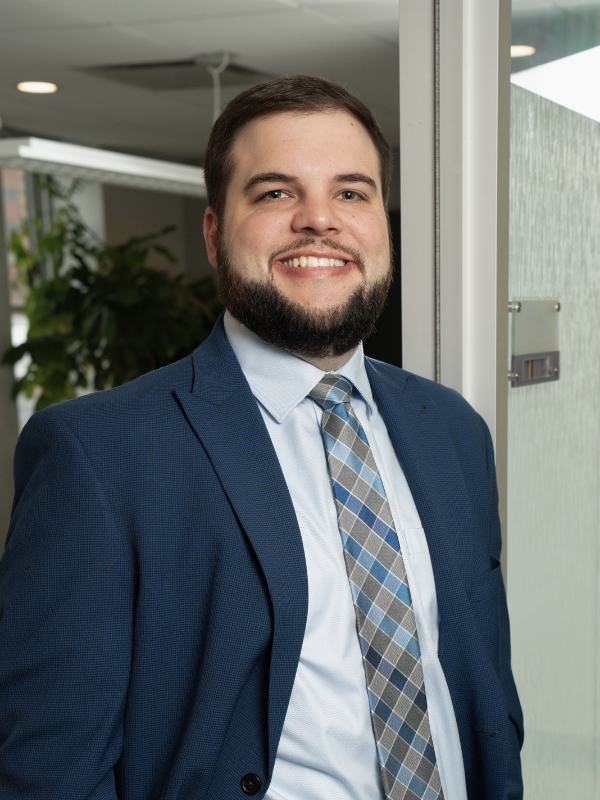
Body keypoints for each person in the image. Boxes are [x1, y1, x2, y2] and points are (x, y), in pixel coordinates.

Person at [0, 76, 523, 800]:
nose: (320, 221)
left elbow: (483, 690)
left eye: (351, 192)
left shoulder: (454, 432)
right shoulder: (99, 454)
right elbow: (49, 773)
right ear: (214, 234)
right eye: (276, 193)